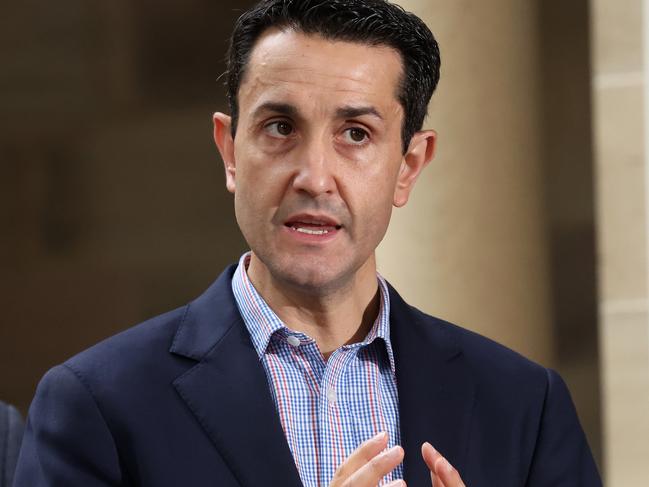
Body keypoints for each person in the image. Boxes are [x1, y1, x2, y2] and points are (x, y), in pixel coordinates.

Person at [14, 1, 601, 486]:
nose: (314, 176)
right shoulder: (97, 405)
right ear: (229, 151)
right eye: (280, 127)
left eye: (355, 133)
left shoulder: (524, 405)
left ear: (409, 166)